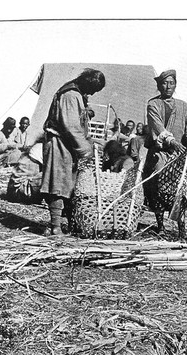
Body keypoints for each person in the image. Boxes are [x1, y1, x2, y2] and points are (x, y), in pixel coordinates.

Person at [40, 68, 106, 235]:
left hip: (67, 144)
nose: (92, 93)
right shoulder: (71, 95)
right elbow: (71, 126)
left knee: (67, 184)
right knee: (58, 184)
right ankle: (55, 227)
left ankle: (60, 224)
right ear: (87, 84)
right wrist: (86, 150)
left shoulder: (78, 95)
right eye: (93, 89)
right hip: (59, 143)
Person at [142, 69, 187, 233]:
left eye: (171, 83)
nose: (168, 86)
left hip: (179, 154)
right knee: (160, 182)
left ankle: (182, 228)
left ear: (175, 85)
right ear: (159, 86)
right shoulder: (153, 104)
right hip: (161, 151)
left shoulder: (183, 105)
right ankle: (160, 225)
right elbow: (158, 127)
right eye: (164, 83)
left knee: (182, 188)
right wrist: (171, 142)